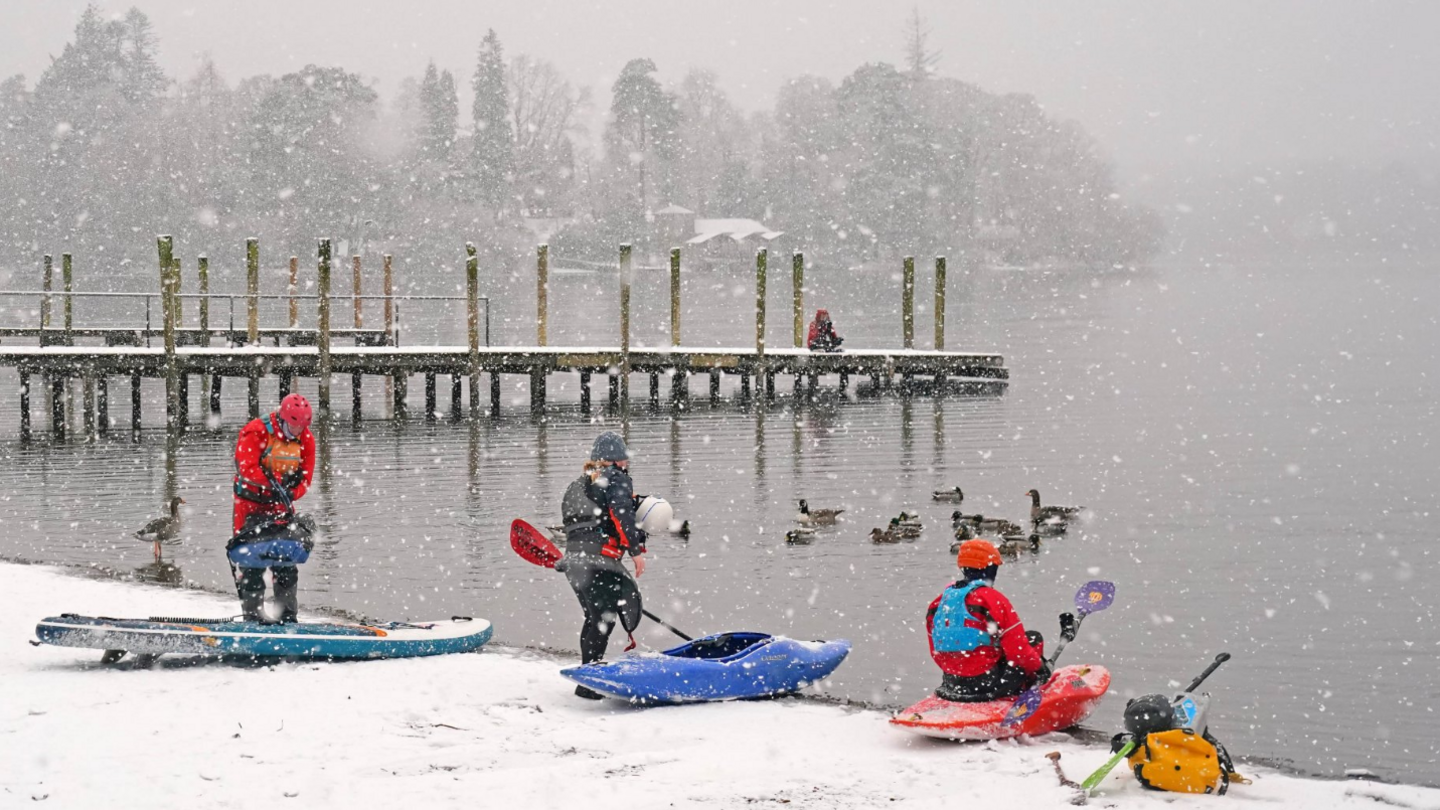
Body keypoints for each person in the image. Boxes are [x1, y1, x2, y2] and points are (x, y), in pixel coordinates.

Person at [557, 430, 648, 699]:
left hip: (573, 561)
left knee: (594, 618)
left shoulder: (578, 484)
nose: (627, 464)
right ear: (616, 460)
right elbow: (621, 515)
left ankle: (588, 677)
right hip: (599, 562)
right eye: (625, 459)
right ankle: (588, 683)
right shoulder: (616, 478)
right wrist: (635, 551)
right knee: (602, 619)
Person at [926, 539, 1049, 702]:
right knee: (1033, 638)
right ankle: (1029, 691)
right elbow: (1018, 650)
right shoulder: (992, 599)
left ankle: (960, 685)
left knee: (998, 647)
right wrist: (1042, 669)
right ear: (990, 568)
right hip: (988, 685)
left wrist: (960, 670)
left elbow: (936, 651)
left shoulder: (938, 603)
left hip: (952, 683)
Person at [230, 393, 316, 622]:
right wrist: (273, 482)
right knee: (251, 564)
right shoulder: (255, 431)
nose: (299, 432)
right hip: (249, 507)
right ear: (284, 418)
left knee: (286, 563)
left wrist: (292, 492)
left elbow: (306, 478)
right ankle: (253, 617)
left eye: (303, 427)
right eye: (295, 426)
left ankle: (287, 617)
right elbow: (246, 468)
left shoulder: (306, 439)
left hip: (281, 508)